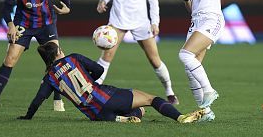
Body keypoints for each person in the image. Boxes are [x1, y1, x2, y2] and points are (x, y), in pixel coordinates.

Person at [178, 0, 263, 121]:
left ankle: (209, 90)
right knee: (190, 68)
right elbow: (191, 9)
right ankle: (206, 112)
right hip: (196, 21)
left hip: (212, 19)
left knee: (185, 55)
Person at [17, 42, 204, 123]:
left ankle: (120, 119)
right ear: (59, 52)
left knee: (139, 112)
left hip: (95, 114)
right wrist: (88, 78)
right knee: (150, 99)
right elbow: (99, 70)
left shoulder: (50, 76)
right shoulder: (73, 59)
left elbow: (38, 99)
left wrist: (27, 117)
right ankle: (181, 118)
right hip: (106, 97)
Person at [96, 0, 179, 104]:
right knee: (107, 55)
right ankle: (94, 89)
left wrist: (155, 22)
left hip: (141, 22)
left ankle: (170, 92)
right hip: (118, 20)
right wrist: (102, 1)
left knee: (154, 59)